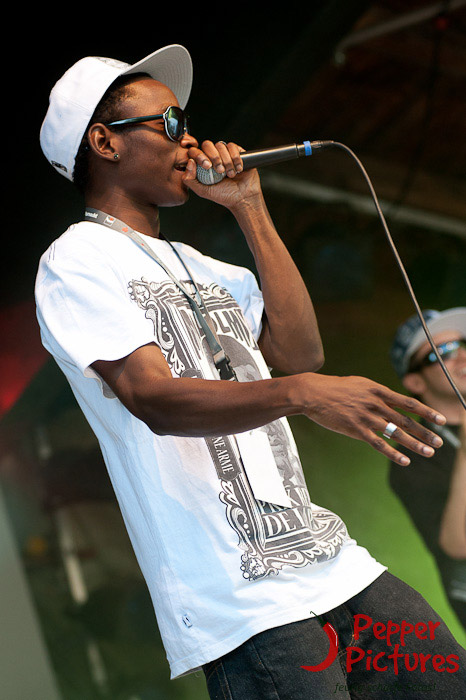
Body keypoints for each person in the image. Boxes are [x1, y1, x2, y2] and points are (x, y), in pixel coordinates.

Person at [35, 44, 466, 698]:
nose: (190, 139)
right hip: (238, 595)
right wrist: (301, 394)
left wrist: (249, 207)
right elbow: (152, 397)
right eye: (170, 123)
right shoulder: (76, 261)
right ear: (105, 142)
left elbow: (301, 356)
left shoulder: (215, 270)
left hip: (330, 562)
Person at [389, 308, 466, 631]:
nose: (462, 356)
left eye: (463, 344)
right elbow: (458, 544)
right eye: (443, 352)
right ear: (415, 381)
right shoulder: (412, 455)